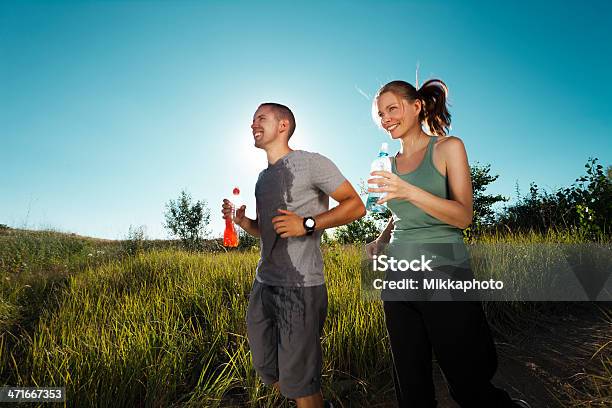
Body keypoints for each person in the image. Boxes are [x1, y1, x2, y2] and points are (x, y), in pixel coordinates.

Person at [365, 80, 531, 408]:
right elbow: (401, 213)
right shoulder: (389, 164)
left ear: (417, 107)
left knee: (467, 380)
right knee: (411, 386)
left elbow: (462, 215)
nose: (385, 118)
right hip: (399, 276)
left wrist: (408, 190)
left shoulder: (447, 148)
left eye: (392, 108)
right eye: (380, 113)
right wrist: (380, 240)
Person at [222, 102, 365, 408]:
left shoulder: (311, 163)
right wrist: (245, 223)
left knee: (300, 383)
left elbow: (356, 205)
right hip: (265, 283)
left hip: (300, 287)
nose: (253, 124)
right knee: (267, 368)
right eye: (251, 120)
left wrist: (308, 223)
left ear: (283, 125)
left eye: (261, 118)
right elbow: (269, 230)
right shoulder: (262, 178)